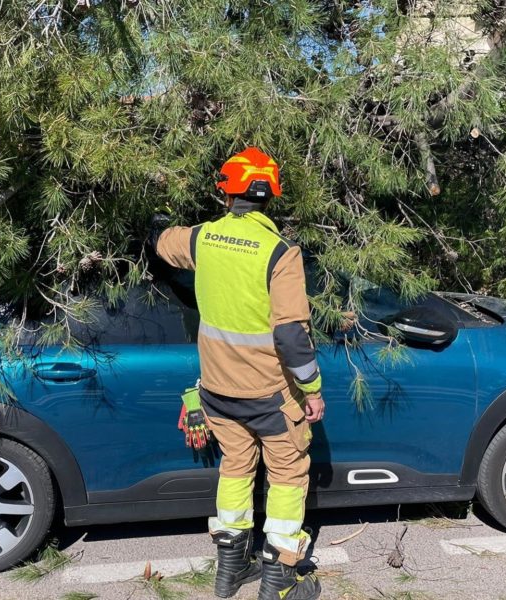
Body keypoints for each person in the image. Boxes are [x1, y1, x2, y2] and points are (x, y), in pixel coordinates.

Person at [154, 147, 325, 600]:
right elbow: (291, 336)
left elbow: (162, 242)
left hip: (216, 391)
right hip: (270, 395)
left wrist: (154, 221)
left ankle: (229, 573)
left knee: (235, 469)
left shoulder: (203, 238)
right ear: (272, 196)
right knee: (288, 476)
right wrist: (312, 390)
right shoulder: (279, 253)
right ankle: (282, 582)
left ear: (226, 193)